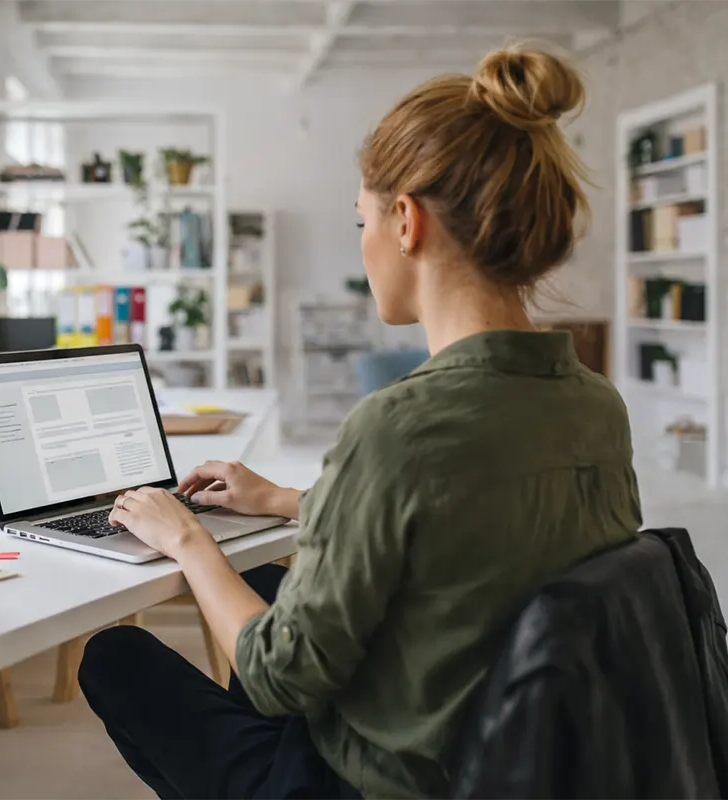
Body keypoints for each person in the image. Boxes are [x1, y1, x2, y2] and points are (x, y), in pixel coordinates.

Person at [78, 45, 642, 800]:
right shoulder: (591, 402)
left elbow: (280, 676)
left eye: (361, 222)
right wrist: (288, 501)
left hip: (382, 781)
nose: (366, 243)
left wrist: (186, 540)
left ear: (404, 222)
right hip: (511, 750)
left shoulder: (400, 425)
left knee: (115, 659)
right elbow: (465, 532)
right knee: (271, 575)